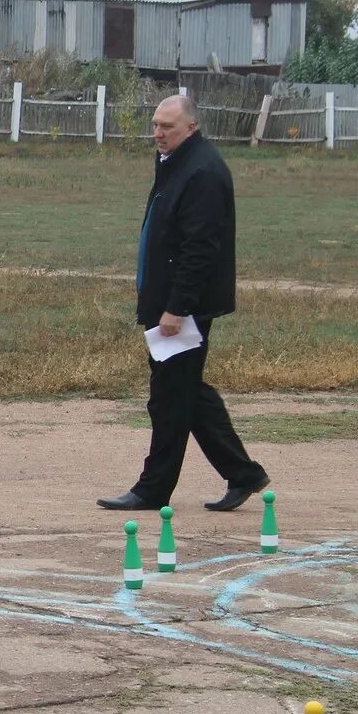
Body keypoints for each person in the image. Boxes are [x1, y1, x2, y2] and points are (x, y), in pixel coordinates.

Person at [97, 95, 269, 513]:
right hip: (168, 302)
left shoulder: (202, 171)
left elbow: (200, 250)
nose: (158, 133)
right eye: (155, 124)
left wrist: (176, 309)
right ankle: (243, 473)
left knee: (170, 397)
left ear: (190, 127)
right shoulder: (176, 161)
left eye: (167, 126)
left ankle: (152, 489)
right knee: (186, 392)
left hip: (184, 308)